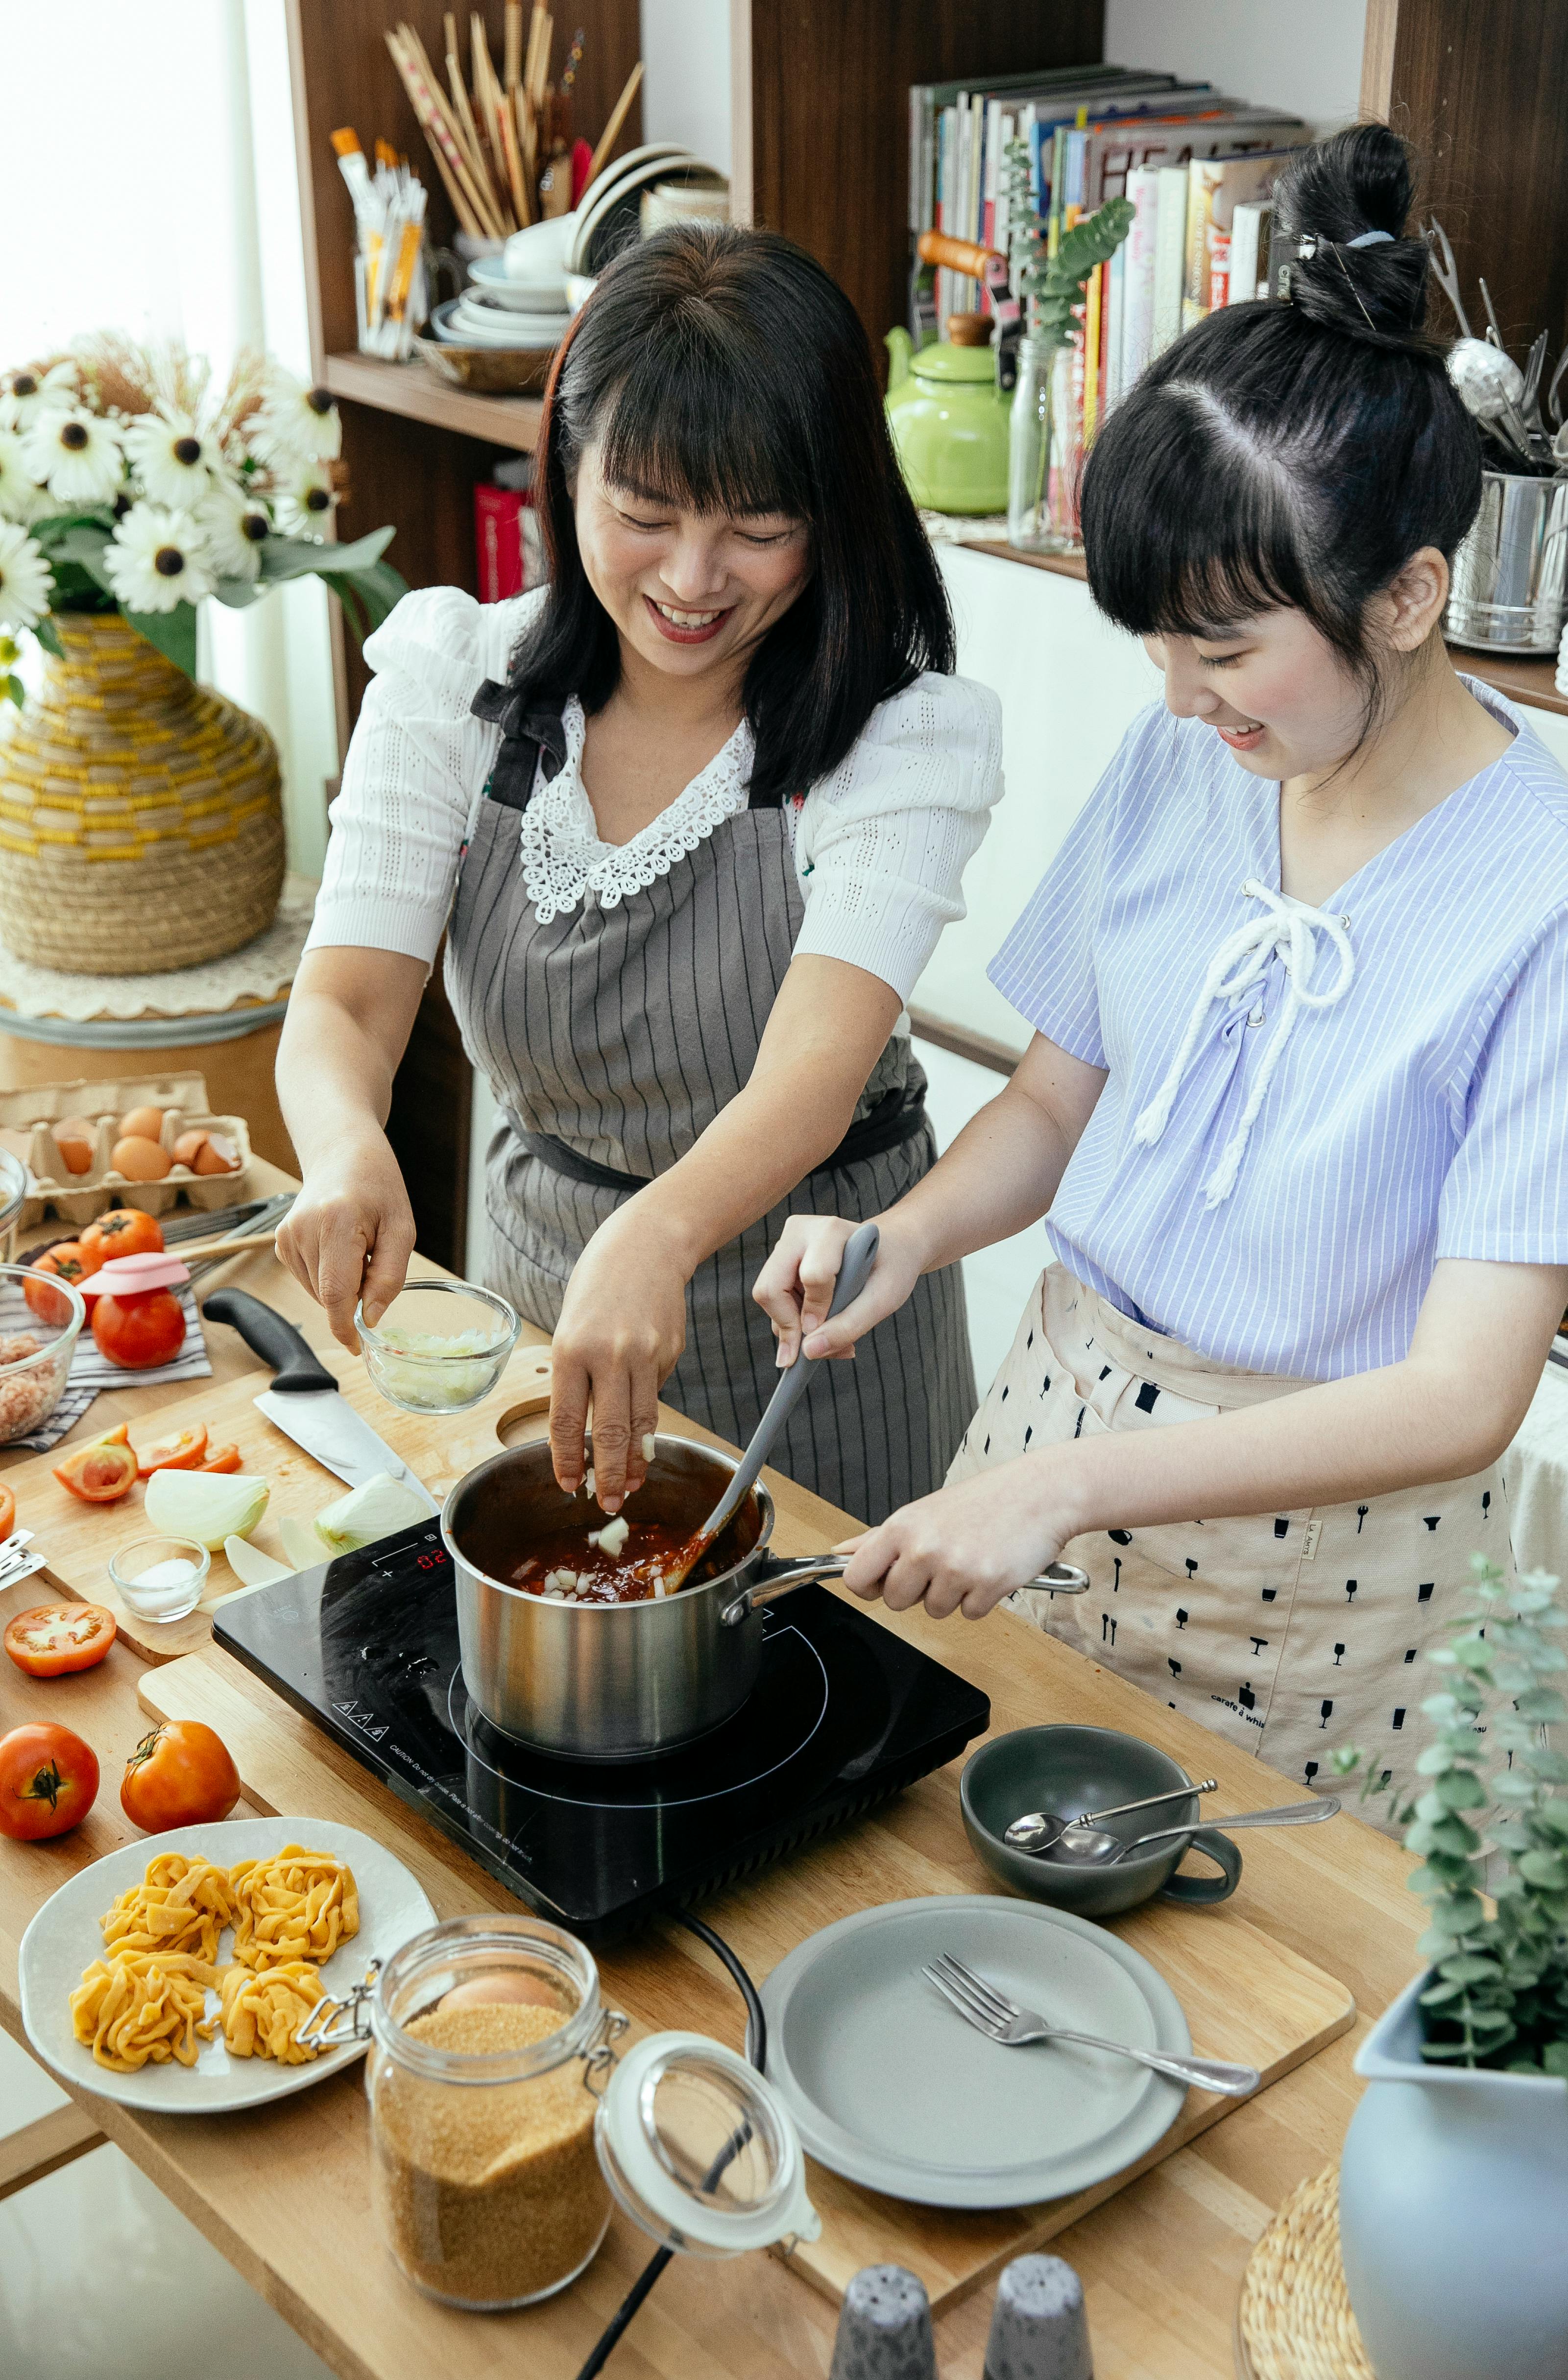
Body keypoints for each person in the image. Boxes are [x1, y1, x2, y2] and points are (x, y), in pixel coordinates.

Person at [751, 125, 1568, 1811]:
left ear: (1409, 597)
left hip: (1330, 1566)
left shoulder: (1540, 891)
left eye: (1224, 649)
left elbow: (1465, 1392)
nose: (1182, 700)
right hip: (1050, 1429)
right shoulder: (1194, 753)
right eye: (1156, 649)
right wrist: (901, 1237)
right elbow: (1058, 1094)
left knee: (1253, 1996)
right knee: (956, 1893)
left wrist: (1077, 1487)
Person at [276, 223, 999, 1523]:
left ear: (832, 515)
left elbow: (811, 1074)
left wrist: (657, 1234)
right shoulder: (455, 682)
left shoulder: (897, 738)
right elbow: (343, 1005)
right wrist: (342, 1150)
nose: (690, 578)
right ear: (567, 472)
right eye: (644, 514)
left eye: (757, 529)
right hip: (541, 1284)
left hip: (815, 1327)